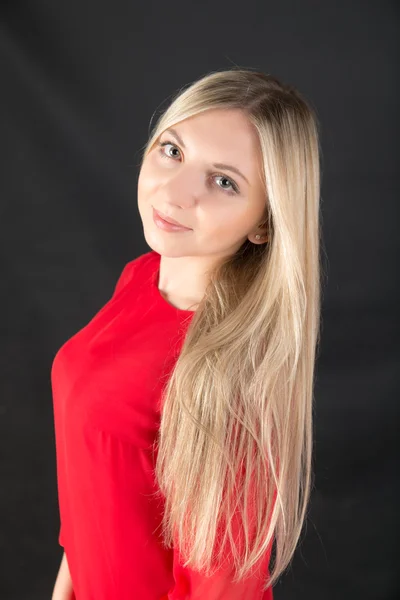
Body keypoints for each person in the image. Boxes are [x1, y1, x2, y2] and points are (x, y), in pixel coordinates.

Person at [51, 67, 322, 600]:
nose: (175, 192)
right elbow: (98, 484)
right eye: (172, 151)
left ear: (264, 223)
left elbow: (223, 589)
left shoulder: (232, 373)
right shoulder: (141, 276)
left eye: (224, 182)